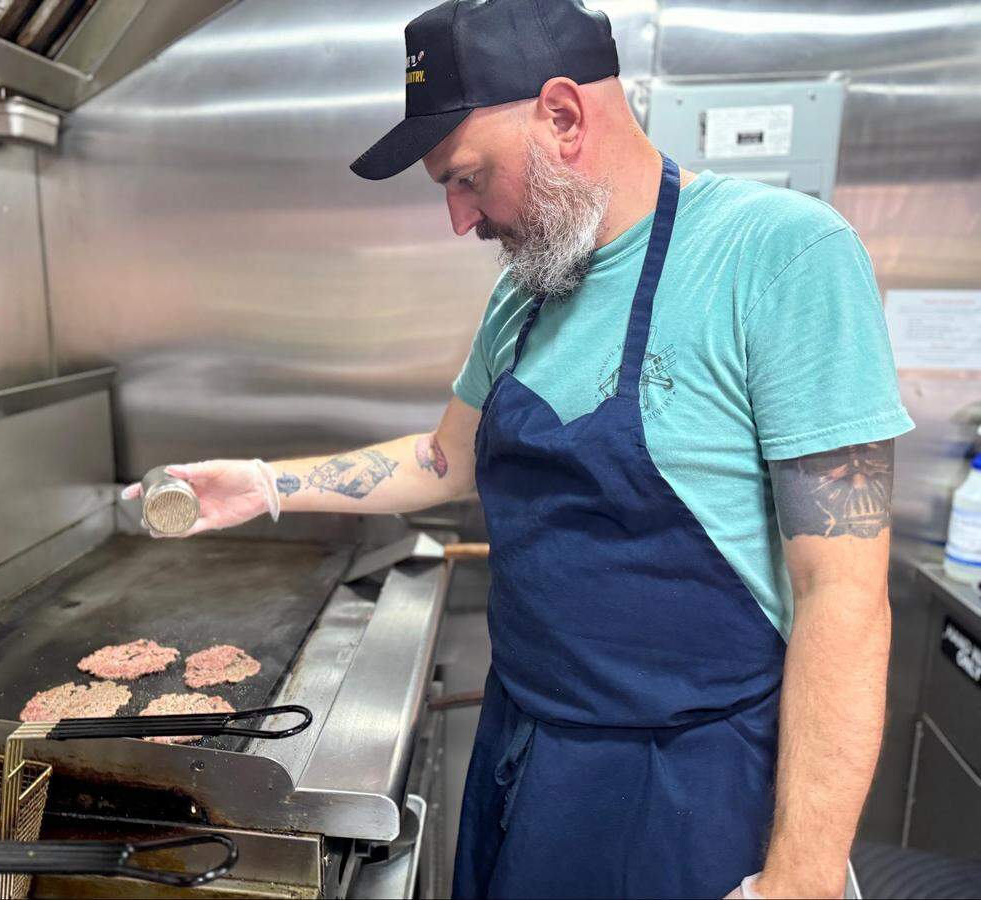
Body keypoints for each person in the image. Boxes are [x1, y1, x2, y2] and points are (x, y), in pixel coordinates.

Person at [123, 1, 914, 896]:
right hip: (527, 747)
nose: (461, 221)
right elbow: (443, 459)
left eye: (467, 178)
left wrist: (800, 880)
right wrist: (263, 486)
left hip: (689, 781)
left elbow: (843, 594)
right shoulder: (530, 293)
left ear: (564, 115)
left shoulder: (781, 255)